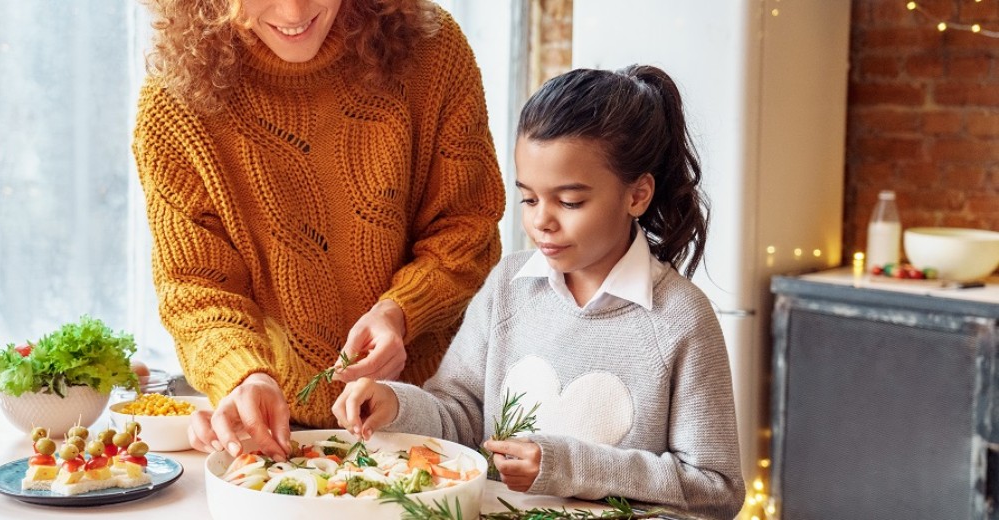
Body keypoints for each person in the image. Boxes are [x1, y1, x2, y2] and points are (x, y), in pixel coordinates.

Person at [333, 65, 746, 519]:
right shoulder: (507, 287)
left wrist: (566, 466)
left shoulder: (681, 319)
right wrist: (395, 405)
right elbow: (460, 417)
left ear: (637, 195)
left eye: (569, 202)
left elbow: (716, 489)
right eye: (529, 199)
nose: (541, 221)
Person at [133, 0, 505, 462]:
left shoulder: (432, 50)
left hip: (432, 415)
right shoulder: (174, 102)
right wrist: (246, 375)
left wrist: (401, 312)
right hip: (277, 432)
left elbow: (466, 224)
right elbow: (196, 287)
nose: (293, 11)